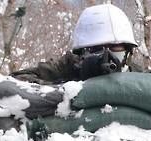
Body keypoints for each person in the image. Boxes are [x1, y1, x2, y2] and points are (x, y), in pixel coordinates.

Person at [11, 4, 140, 85]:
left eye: (115, 47)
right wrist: (64, 88)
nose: (107, 54)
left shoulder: (137, 75)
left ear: (128, 50)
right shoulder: (68, 66)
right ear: (82, 52)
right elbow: (15, 80)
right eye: (97, 48)